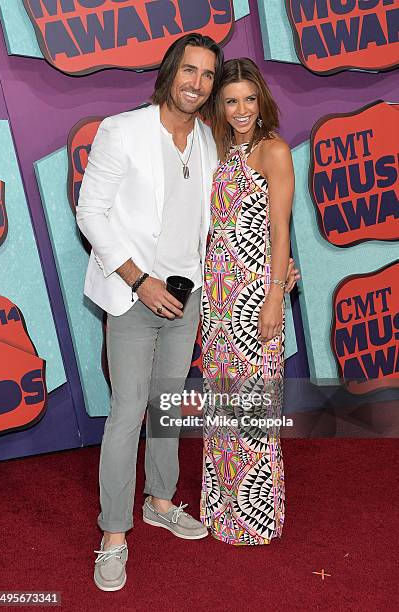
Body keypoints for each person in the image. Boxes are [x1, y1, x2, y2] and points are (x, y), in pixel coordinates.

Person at [76, 33, 225, 592]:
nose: (198, 83)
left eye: (208, 75)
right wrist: (140, 280)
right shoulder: (123, 130)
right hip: (134, 295)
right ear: (170, 72)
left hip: (188, 298)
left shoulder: (209, 140)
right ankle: (113, 534)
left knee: (169, 407)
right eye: (190, 70)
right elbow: (90, 212)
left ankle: (161, 500)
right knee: (129, 411)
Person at [200, 58, 295, 545]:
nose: (240, 109)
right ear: (220, 103)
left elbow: (280, 230)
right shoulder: (218, 151)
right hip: (216, 301)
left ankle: (255, 517)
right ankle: (221, 514)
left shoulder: (272, 150)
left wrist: (275, 295)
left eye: (249, 99)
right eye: (231, 100)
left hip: (254, 296)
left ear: (262, 102)